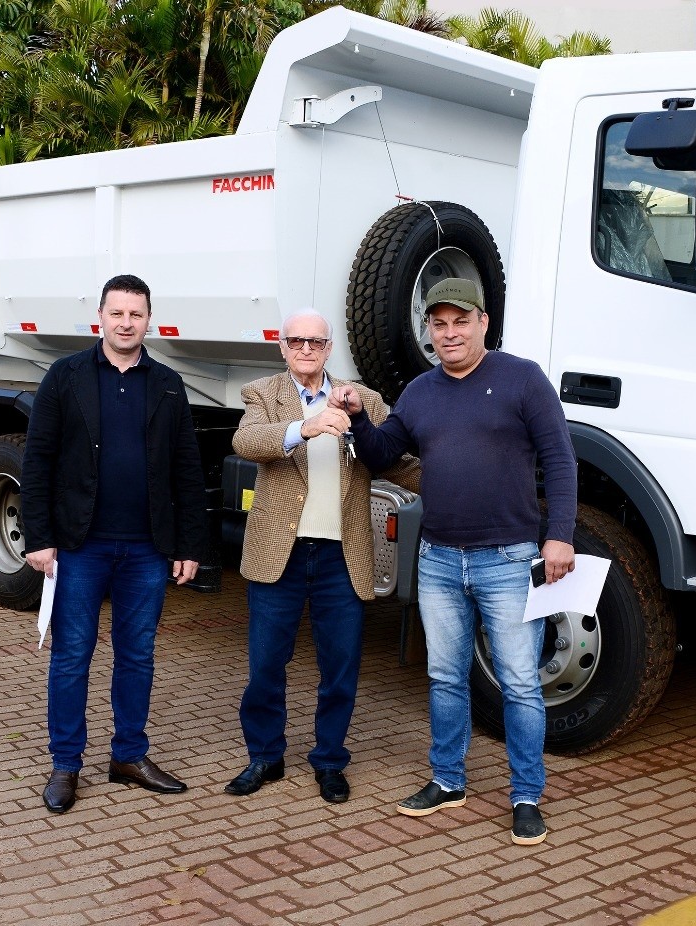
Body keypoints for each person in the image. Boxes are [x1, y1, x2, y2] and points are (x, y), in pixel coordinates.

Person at [330, 277, 577, 846]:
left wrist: (558, 535)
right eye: (439, 324)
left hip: (509, 559)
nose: (450, 333)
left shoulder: (522, 380)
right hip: (439, 558)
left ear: (484, 322)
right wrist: (359, 419)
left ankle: (525, 795)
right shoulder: (420, 391)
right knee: (444, 677)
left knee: (518, 682)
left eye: (460, 321)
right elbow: (382, 454)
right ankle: (447, 781)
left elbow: (560, 461)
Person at [22, 273, 209, 814]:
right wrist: (41, 538)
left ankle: (128, 755)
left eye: (136, 314)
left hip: (147, 550)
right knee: (72, 655)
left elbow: (186, 470)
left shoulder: (169, 383)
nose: (126, 323)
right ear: (99, 317)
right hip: (81, 546)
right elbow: (38, 460)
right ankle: (66, 765)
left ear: (149, 319)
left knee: (138, 655)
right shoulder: (66, 376)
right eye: (117, 313)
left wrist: (188, 545)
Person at [226, 308, 419, 803]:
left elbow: (393, 460)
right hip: (278, 554)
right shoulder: (264, 393)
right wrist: (303, 428)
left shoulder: (362, 399)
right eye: (296, 341)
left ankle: (330, 761)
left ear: (330, 349)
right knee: (266, 665)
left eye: (316, 342)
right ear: (283, 347)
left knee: (340, 669)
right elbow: (246, 440)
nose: (306, 350)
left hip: (341, 556)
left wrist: (461, 482)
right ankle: (265, 756)